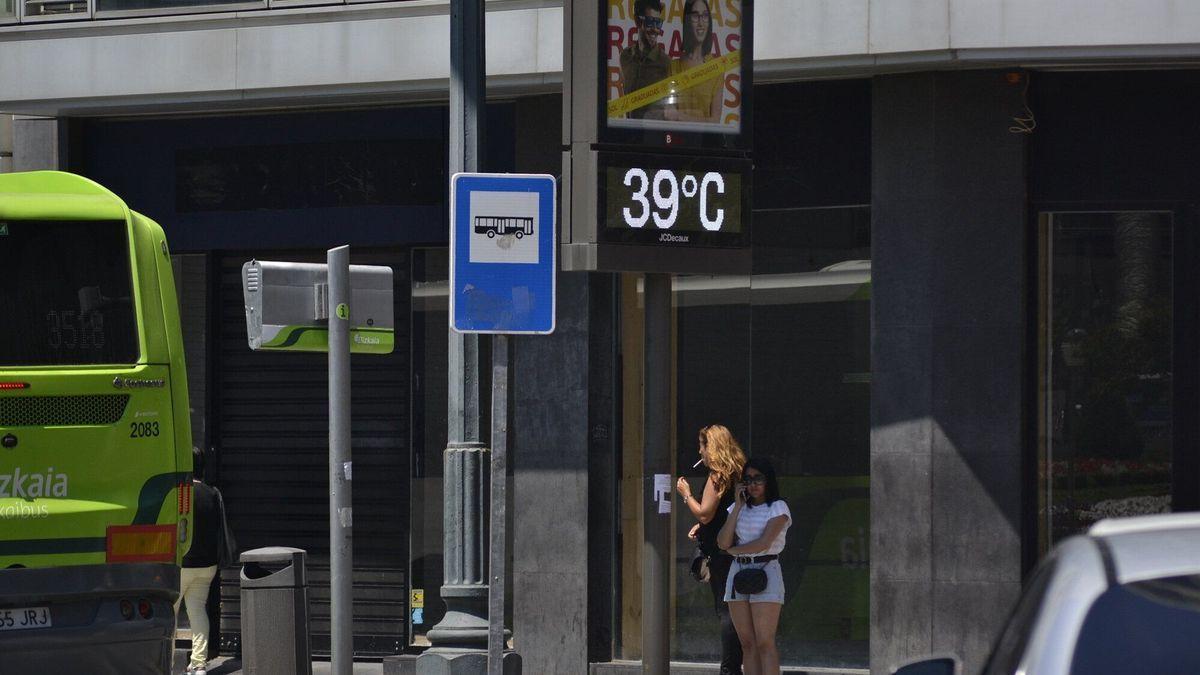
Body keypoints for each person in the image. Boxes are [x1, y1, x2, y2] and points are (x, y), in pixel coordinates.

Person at [676, 424, 748, 674]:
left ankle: (729, 669)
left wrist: (686, 494)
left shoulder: (717, 475)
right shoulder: (737, 471)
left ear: (712, 447)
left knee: (726, 610)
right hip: (738, 548)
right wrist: (703, 526)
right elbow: (723, 512)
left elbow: (706, 513)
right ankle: (735, 665)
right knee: (735, 608)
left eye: (702, 445)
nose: (700, 451)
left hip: (722, 553)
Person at [717, 457, 791, 675]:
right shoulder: (737, 508)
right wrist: (738, 506)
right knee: (747, 644)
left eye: (758, 478)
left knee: (764, 643)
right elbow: (722, 541)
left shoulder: (778, 507)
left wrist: (733, 551)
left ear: (768, 480)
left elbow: (764, 543)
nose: (753, 484)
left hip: (766, 568)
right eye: (748, 479)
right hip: (738, 571)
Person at [176, 447, 228, 675]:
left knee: (169, 612)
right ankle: (198, 664)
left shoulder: (180, 494)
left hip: (182, 564)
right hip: (207, 565)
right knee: (197, 611)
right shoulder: (212, 493)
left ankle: (165, 663)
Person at [665, 0, 724, 124]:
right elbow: (669, 114)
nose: (701, 23)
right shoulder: (673, 67)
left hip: (704, 142)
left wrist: (680, 116)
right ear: (687, 21)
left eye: (705, 16)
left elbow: (715, 121)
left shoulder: (717, 68)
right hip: (677, 140)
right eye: (696, 16)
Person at [618, 0, 669, 119]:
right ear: (637, 20)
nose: (656, 29)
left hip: (655, 136)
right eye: (651, 22)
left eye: (658, 23)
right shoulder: (625, 57)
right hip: (629, 135)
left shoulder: (666, 64)